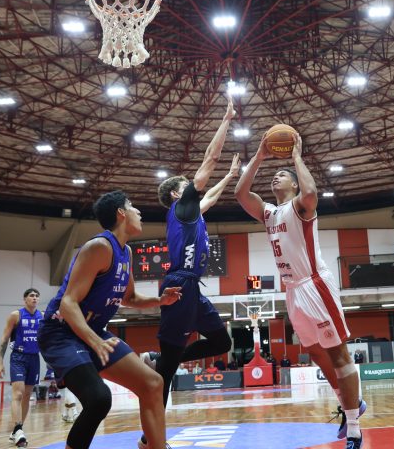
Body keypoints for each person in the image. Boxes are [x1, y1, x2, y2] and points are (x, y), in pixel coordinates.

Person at [235, 132, 365, 449]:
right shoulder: (268, 212)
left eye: (282, 175)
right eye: (274, 175)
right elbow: (240, 193)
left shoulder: (300, 206)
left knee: (338, 354)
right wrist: (260, 155)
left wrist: (295, 157)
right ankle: (352, 403)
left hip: (314, 284)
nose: (275, 178)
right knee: (315, 352)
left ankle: (354, 429)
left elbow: (311, 192)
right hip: (292, 290)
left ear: (293, 184)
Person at [37, 190, 182, 449]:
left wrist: (160, 300)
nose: (139, 212)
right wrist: (95, 341)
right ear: (121, 213)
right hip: (61, 333)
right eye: (133, 206)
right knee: (99, 399)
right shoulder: (99, 247)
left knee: (153, 383)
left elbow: (130, 298)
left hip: (91, 331)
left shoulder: (126, 252)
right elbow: (68, 304)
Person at [138, 97, 239, 449]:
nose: (195, 190)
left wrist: (229, 177)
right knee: (166, 375)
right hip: (180, 284)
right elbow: (209, 160)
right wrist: (226, 119)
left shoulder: (192, 213)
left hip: (193, 289)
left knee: (222, 343)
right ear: (177, 193)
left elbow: (210, 197)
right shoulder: (181, 207)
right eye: (188, 186)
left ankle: (162, 358)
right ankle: (150, 439)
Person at [0, 287, 43, 447]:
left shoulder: (42, 316)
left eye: (37, 296)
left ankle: (17, 429)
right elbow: (4, 339)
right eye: (31, 295)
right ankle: (18, 429)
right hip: (18, 357)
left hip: (34, 358)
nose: (35, 298)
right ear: (25, 299)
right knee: (18, 394)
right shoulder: (16, 315)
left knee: (27, 395)